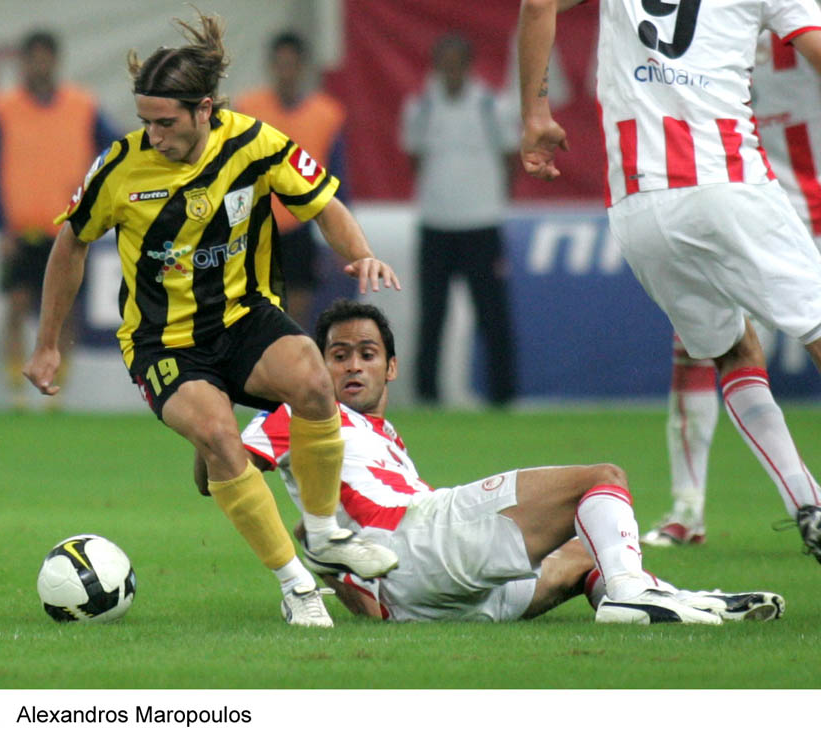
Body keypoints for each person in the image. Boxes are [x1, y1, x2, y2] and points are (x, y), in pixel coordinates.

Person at [21, 10, 402, 627]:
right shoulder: (119, 167)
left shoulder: (255, 142)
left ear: (204, 109)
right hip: (163, 341)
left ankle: (325, 533)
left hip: (243, 316)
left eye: (165, 123)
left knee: (314, 380)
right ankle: (297, 585)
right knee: (221, 438)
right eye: (145, 121)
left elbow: (322, 203)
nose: (153, 136)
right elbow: (70, 245)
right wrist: (46, 344)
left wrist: (360, 253)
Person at [227, 299, 784, 624]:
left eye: (366, 355)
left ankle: (693, 606)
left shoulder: (382, 437)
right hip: (424, 540)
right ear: (319, 369)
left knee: (582, 556)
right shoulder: (299, 415)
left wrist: (337, 573)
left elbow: (319, 529)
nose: (353, 366)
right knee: (602, 480)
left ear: (390, 367)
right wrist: (210, 425)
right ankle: (632, 594)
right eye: (338, 356)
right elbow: (230, 464)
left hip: (424, 599)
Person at [517, 0, 821, 562]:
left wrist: (535, 114)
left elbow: (538, 4)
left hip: (637, 207)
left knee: (732, 351)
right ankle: (714, 506)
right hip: (727, 181)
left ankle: (808, 503)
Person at [644, 25, 821, 546]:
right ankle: (687, 508)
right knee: (702, 349)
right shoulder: (704, 21)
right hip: (734, 202)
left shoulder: (798, 18)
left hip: (808, 207)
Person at [0, 29, 120, 409]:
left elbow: (116, 149)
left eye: (46, 58)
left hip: (67, 229)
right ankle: (14, 388)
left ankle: (56, 389)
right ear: (23, 63)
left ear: (56, 61)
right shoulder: (4, 108)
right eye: (33, 58)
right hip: (21, 228)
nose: (40, 65)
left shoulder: (82, 105)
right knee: (16, 303)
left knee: (65, 309)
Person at [399, 33, 518, 407]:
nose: (450, 72)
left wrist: (487, 199)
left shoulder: (492, 106)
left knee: (492, 314)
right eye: (444, 65)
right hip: (436, 224)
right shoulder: (420, 108)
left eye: (456, 65)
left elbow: (510, 158)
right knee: (432, 314)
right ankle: (427, 395)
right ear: (436, 67)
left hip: (481, 224)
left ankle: (503, 396)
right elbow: (415, 158)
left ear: (468, 66)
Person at [234, 31, 354, 332]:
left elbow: (337, 180)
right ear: (271, 66)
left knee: (298, 314)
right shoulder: (248, 110)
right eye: (280, 65)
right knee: (258, 314)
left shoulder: (326, 114)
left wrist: (341, 238)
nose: (286, 73)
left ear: (303, 67)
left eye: (292, 65)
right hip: (256, 226)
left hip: (300, 227)